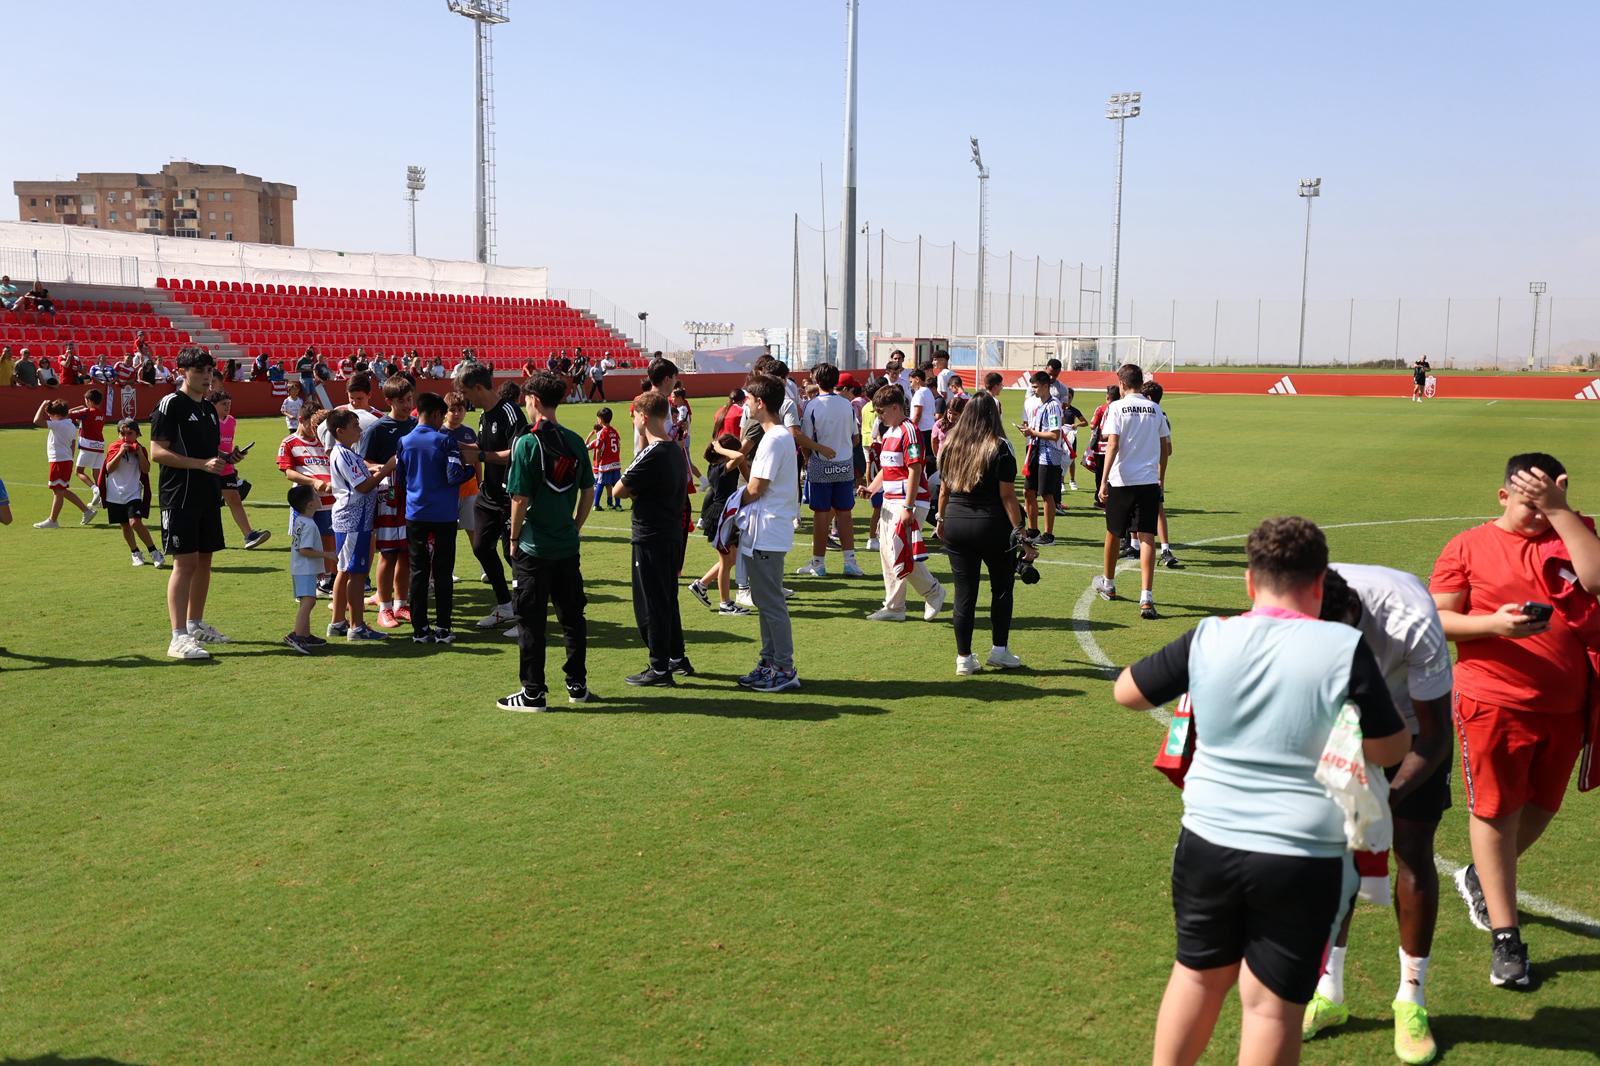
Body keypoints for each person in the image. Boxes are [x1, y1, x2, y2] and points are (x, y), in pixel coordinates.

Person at [1113, 516, 1410, 1066]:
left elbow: (1127, 691)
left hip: (1208, 840)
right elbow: (1391, 748)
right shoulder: (1342, 646)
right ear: (1320, 582)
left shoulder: (1210, 636)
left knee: (1197, 977)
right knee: (1272, 1010)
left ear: (1250, 581)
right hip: (1303, 853)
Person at [1429, 452, 1600, 988]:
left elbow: (1596, 581)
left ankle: (1481, 875)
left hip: (1568, 708)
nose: (1535, 513)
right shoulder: (1469, 545)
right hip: (1492, 702)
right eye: (1527, 502)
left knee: (1543, 806)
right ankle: (1507, 938)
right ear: (1503, 496)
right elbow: (1437, 616)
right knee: (1496, 810)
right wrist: (1492, 626)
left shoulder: (1572, 533)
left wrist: (1560, 509)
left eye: (1544, 501)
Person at [1303, 565, 1454, 1064]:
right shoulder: (1298, 611)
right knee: (1335, 857)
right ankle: (1329, 992)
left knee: (1411, 849)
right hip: (1344, 724)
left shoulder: (1411, 617)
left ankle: (1412, 999)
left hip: (1412, 726)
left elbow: (1435, 736)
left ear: (1354, 614)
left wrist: (1382, 802)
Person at [498, 373, 595, 711]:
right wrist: (574, 526)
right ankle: (577, 685)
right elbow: (588, 491)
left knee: (531, 621)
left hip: (534, 548)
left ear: (535, 400)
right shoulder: (575, 441)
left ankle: (533, 693)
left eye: (526, 400)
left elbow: (519, 498)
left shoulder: (527, 443)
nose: (525, 405)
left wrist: (512, 537)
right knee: (572, 618)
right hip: (567, 547)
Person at [935, 392, 1036, 675]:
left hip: (956, 521)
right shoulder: (999, 446)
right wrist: (1021, 533)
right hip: (992, 526)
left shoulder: (950, 444)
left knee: (964, 594)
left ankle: (963, 658)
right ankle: (999, 650)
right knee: (1001, 589)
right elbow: (1007, 496)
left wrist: (941, 520)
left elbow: (943, 490)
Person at [150, 349, 231, 660]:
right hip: (179, 495)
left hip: (206, 494)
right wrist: (200, 464)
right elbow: (157, 451)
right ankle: (177, 636)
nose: (206, 375)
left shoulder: (210, 410)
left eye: (209, 369)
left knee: (205, 560)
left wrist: (226, 459)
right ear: (182, 371)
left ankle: (195, 624)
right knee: (184, 564)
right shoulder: (170, 405)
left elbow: (209, 456)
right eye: (199, 369)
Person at [614, 391, 692, 686]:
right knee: (667, 598)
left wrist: (637, 490)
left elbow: (617, 490)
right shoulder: (675, 449)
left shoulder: (652, 451)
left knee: (651, 603)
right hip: (670, 533)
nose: (633, 420)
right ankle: (676, 656)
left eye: (634, 415)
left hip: (650, 536)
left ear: (643, 417)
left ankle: (659, 667)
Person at [735, 374, 802, 692]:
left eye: (748, 399)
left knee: (770, 601)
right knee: (764, 599)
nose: (745, 404)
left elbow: (756, 488)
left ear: (760, 403)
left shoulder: (774, 438)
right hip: (764, 529)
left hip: (768, 529)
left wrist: (732, 502)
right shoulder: (775, 437)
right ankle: (769, 660)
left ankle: (784, 667)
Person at [395, 391, 476, 645]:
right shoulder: (445, 441)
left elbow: (400, 480)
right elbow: (453, 475)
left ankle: (419, 629)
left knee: (419, 572)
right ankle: (443, 627)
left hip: (415, 513)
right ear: (438, 414)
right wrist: (471, 469)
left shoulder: (404, 441)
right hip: (443, 515)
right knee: (442, 571)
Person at [860, 384, 945, 623]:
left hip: (908, 502)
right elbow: (888, 469)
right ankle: (895, 606)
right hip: (890, 501)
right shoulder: (890, 432)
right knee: (888, 554)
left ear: (896, 407)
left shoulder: (910, 430)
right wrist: (871, 489)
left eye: (882, 412)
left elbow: (915, 468)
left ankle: (933, 592)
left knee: (900, 554)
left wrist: (908, 507)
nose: (879, 416)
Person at [1095, 364, 1171, 619]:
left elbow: (1112, 444)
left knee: (1113, 533)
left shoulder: (1116, 407)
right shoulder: (1155, 408)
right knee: (1148, 537)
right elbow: (1165, 447)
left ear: (1122, 383)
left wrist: (1103, 480)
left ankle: (1109, 583)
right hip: (1148, 482)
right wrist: (1160, 478)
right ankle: (1146, 597)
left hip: (1122, 480)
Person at [461, 367, 528, 632]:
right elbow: (483, 446)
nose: (465, 399)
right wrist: (457, 447)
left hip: (510, 494)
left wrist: (478, 457)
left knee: (514, 556)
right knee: (481, 547)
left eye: (466, 392)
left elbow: (516, 452)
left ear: (478, 388)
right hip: (488, 494)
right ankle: (504, 606)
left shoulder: (510, 411)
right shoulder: (483, 416)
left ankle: (526, 617)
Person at [325, 408, 391, 643]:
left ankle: (338, 622)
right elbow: (362, 486)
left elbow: (362, 472)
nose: (360, 430)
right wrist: (387, 469)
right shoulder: (343, 454)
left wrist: (375, 468)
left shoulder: (345, 452)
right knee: (357, 573)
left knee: (344, 570)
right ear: (340, 431)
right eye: (355, 426)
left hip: (351, 519)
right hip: (355, 520)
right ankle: (357, 626)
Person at [794, 363, 864, 579]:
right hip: (844, 463)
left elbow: (805, 438)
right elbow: (855, 437)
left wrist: (808, 459)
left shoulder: (813, 405)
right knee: (845, 513)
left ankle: (818, 562)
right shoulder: (846, 405)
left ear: (816, 380)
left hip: (820, 463)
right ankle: (850, 561)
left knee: (821, 514)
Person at [363, 376, 419, 628]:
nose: (407, 405)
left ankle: (401, 603)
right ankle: (383, 607)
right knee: (388, 552)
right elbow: (362, 462)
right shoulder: (377, 428)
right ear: (389, 402)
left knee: (407, 551)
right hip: (388, 497)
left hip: (414, 496)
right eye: (401, 401)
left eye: (409, 399)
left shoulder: (417, 425)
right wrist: (385, 469)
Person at [276, 402, 336, 598]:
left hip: (329, 503)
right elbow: (289, 473)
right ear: (301, 420)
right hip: (305, 505)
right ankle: (306, 583)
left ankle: (327, 580)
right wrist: (313, 482)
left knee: (328, 541)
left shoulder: (325, 441)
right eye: (312, 425)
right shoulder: (289, 442)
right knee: (305, 544)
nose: (315, 430)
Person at [688, 433, 751, 615]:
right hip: (720, 517)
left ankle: (701, 585)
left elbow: (741, 462)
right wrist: (721, 448)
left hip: (726, 516)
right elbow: (739, 457)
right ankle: (725, 604)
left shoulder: (720, 466)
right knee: (726, 561)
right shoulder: (719, 468)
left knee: (730, 559)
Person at [206, 390, 271, 550]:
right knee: (207, 506)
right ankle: (204, 538)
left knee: (235, 500)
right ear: (213, 405)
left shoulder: (232, 421)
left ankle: (249, 535)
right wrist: (227, 456)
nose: (227, 407)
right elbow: (208, 446)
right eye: (223, 404)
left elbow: (227, 444)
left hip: (227, 468)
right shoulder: (208, 421)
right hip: (209, 468)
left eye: (229, 404)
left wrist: (236, 454)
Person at [99, 418, 162, 567]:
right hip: (115, 494)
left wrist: (139, 453)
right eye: (122, 433)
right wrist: (120, 452)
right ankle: (135, 552)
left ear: (137, 434)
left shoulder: (140, 449)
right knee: (125, 525)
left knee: (135, 522)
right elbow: (109, 469)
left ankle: (154, 552)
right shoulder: (114, 447)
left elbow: (146, 469)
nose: (126, 437)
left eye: (129, 433)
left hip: (133, 493)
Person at [284, 483, 334, 655]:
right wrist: (327, 555)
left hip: (302, 569)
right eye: (316, 496)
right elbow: (304, 550)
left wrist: (318, 568)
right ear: (310, 504)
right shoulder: (310, 525)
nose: (319, 497)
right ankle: (296, 636)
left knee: (307, 601)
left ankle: (304, 634)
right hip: (304, 569)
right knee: (308, 602)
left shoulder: (301, 521)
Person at [32, 399, 96, 528]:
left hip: (59, 461)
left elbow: (36, 421)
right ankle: (87, 511)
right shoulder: (69, 424)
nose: (49, 417)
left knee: (58, 491)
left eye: (50, 415)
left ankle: (53, 520)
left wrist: (42, 404)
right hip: (65, 460)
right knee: (62, 490)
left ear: (58, 415)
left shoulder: (59, 425)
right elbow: (72, 444)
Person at [1019, 371, 1065, 546]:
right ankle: (1033, 529)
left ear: (1046, 386)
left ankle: (1049, 534)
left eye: (1036, 387)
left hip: (1049, 454)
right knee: (1028, 491)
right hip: (1036, 450)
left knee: (1046, 493)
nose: (1034, 390)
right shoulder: (1040, 404)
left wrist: (1033, 433)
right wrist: (1029, 432)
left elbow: (1054, 434)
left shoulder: (1053, 405)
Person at [68, 388, 109, 508]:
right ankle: (103, 498)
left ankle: (95, 489)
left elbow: (67, 414)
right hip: (99, 446)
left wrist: (77, 409)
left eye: (86, 400)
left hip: (88, 446)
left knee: (79, 471)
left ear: (89, 401)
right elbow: (87, 423)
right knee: (97, 473)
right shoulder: (101, 413)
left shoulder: (86, 411)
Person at [1083, 384, 1120, 506]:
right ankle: (1114, 498)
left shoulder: (1101, 408)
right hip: (1116, 446)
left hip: (1100, 447)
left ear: (1108, 396)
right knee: (1114, 473)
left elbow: (1093, 425)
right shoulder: (1121, 407)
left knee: (1100, 474)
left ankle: (1100, 499)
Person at [585, 407, 623, 511]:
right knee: (616, 483)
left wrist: (597, 462)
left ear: (601, 419)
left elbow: (599, 449)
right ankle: (618, 504)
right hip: (616, 463)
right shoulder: (615, 431)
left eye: (598, 418)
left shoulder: (602, 433)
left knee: (601, 483)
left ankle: (596, 504)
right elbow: (618, 446)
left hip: (605, 463)